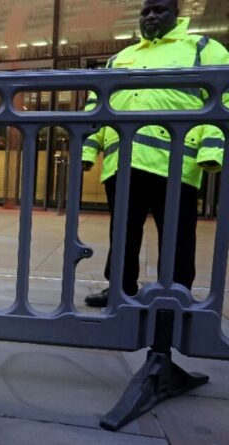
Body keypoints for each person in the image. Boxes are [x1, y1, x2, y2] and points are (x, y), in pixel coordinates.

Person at [82, 0, 229, 308]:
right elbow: (96, 106)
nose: (150, 16)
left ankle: (175, 293)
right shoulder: (122, 57)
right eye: (145, 11)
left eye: (159, 10)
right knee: (122, 231)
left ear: (177, 14)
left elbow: (224, 99)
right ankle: (120, 289)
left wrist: (211, 149)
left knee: (177, 234)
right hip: (123, 160)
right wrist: (88, 149)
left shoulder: (203, 48)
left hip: (175, 161)